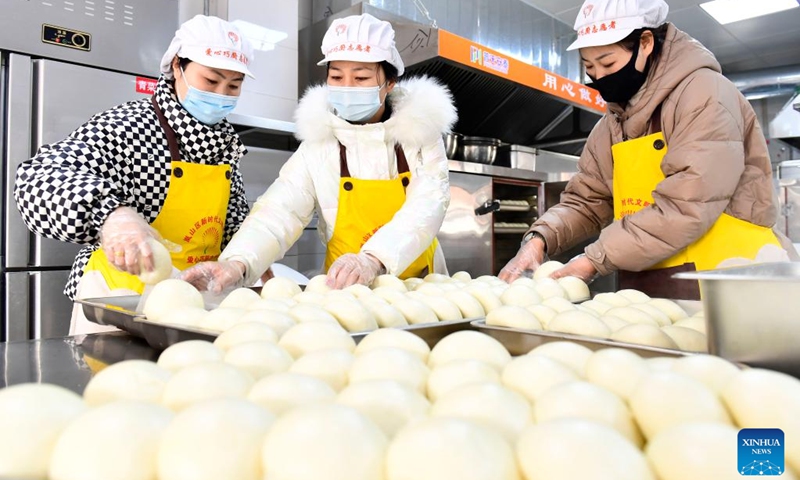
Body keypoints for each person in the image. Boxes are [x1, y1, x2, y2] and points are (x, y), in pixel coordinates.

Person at [499, 0, 796, 299]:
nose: (599, 77)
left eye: (608, 63)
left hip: (729, 278)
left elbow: (687, 203)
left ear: (645, 42)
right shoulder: (611, 126)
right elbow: (586, 200)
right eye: (589, 67)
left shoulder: (705, 95)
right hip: (654, 284)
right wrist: (539, 239)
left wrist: (593, 259)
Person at [14, 15, 256, 333]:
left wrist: (246, 262)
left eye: (233, 85)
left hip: (196, 305)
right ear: (176, 68)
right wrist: (113, 216)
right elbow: (38, 177)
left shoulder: (225, 146)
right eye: (211, 81)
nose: (222, 94)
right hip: (118, 304)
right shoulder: (129, 126)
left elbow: (235, 225)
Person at [181, 13, 457, 293]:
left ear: (389, 83)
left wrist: (373, 259)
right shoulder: (319, 142)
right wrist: (236, 262)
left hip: (420, 287)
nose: (347, 87)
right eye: (336, 76)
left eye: (360, 77)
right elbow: (280, 211)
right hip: (342, 292)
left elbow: (427, 207)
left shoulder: (420, 134)